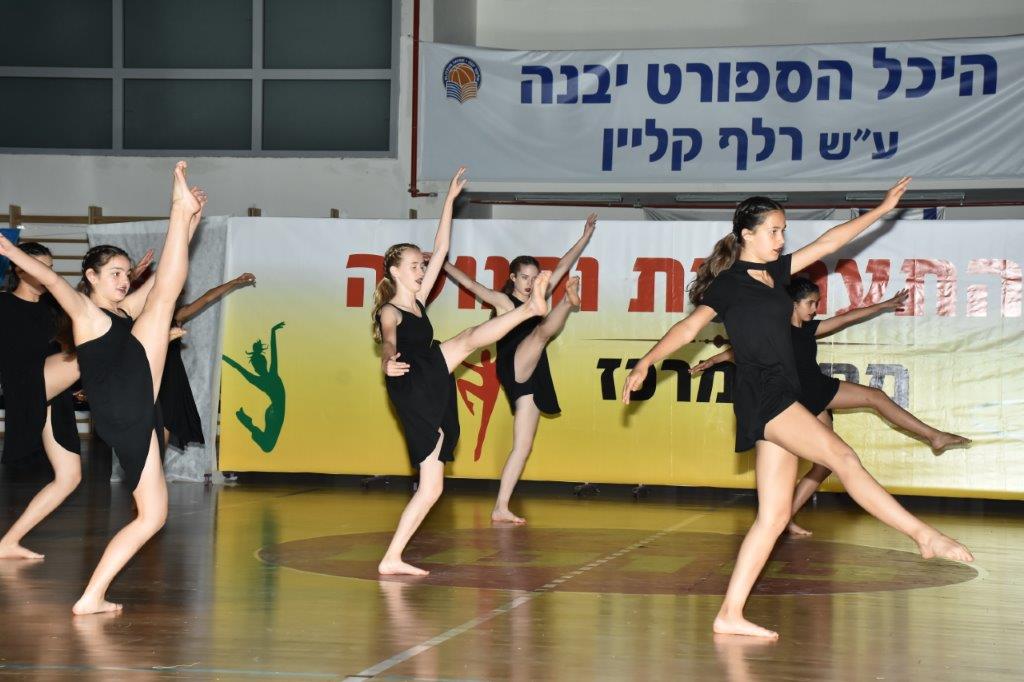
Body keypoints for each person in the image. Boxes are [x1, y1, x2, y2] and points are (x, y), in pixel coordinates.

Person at [622, 178, 972, 639]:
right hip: (764, 394)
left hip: (781, 392)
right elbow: (688, 329)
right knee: (842, 457)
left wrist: (882, 209)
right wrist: (646, 362)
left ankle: (730, 613)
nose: (781, 239)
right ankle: (923, 535)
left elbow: (830, 242)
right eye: (773, 231)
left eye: (784, 230)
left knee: (773, 517)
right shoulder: (728, 285)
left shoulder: (777, 273)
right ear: (747, 234)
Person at [0, 161, 206, 614]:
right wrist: (9, 249)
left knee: (152, 516)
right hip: (125, 406)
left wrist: (190, 227)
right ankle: (177, 208)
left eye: (126, 272)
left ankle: (91, 597)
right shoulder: (86, 314)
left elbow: (161, 283)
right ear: (91, 277)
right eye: (114, 272)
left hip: (134, 410)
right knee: (162, 304)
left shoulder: (122, 311)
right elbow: (50, 279)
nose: (123, 279)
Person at [373, 167, 552, 575]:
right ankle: (530, 310)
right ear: (395, 272)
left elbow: (441, 249)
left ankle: (391, 558)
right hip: (412, 377)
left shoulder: (418, 301)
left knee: (432, 487)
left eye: (421, 266)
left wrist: (450, 202)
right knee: (469, 339)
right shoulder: (391, 309)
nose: (421, 271)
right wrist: (387, 359)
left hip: (430, 383)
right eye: (414, 266)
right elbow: (388, 339)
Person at [692, 277, 970, 536]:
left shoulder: (809, 329)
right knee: (853, 426)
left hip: (818, 389)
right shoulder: (778, 331)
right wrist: (713, 360)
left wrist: (884, 305)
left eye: (817, 303)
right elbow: (743, 351)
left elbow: (846, 318)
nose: (815, 309)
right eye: (810, 303)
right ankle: (782, 516)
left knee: (846, 435)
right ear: (793, 304)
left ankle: (934, 436)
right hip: (800, 398)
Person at [441, 214, 596, 522]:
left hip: (535, 370)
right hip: (514, 362)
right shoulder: (503, 301)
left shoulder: (538, 295)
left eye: (534, 278)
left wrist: (584, 236)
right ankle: (568, 303)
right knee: (540, 333)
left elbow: (563, 264)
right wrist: (441, 263)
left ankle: (500, 507)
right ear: (513, 278)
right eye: (524, 277)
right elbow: (470, 283)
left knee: (522, 446)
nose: (529, 283)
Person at [0, 242, 82, 560]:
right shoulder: (3, 304)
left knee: (69, 477)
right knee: (95, 348)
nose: (47, 273)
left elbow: (60, 352)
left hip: (52, 393)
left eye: (50, 267)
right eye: (39, 266)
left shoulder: (54, 309)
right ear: (20, 269)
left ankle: (8, 543)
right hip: (25, 386)